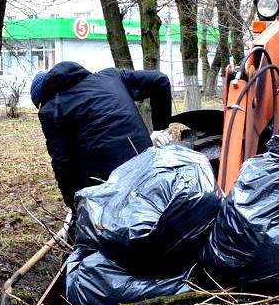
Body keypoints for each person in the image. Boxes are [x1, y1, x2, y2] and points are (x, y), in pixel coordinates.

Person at [31, 61, 173, 208]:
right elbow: (160, 80)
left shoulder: (51, 110)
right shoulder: (111, 76)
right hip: (148, 169)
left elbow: (63, 166)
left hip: (109, 189)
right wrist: (161, 128)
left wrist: (75, 208)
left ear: (44, 97)